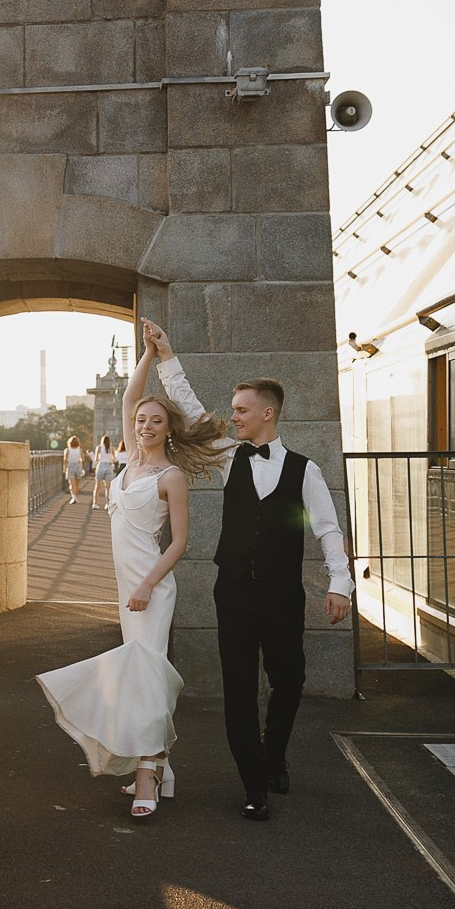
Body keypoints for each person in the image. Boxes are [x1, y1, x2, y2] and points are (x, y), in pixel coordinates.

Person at [139, 319, 352, 822]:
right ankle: (254, 783)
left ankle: (273, 753)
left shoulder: (306, 469)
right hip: (232, 592)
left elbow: (327, 528)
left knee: (289, 680)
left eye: (240, 410)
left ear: (267, 413)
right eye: (233, 410)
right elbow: (190, 409)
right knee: (238, 690)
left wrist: (340, 584)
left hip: (282, 595)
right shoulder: (227, 454)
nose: (232, 418)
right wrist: (167, 355)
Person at [35, 362, 226, 817]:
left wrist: (146, 585)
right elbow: (127, 398)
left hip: (150, 588)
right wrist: (147, 352)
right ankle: (160, 764)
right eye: (141, 420)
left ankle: (148, 769)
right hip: (129, 589)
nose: (145, 426)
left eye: (156, 421)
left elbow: (180, 542)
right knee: (146, 676)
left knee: (143, 674)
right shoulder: (129, 462)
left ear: (169, 429)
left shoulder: (170, 477)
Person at [90, 435, 117, 510]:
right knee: (108, 487)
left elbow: (95, 459)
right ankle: (107, 504)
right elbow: (114, 460)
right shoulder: (112, 449)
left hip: (101, 465)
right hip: (109, 466)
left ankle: (95, 503)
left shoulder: (98, 448)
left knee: (98, 486)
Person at [62, 435, 86, 504]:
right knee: (77, 483)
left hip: (70, 465)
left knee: (71, 483)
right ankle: (75, 496)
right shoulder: (80, 450)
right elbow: (83, 459)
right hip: (78, 465)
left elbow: (65, 460)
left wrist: (64, 468)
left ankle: (73, 497)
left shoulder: (67, 450)